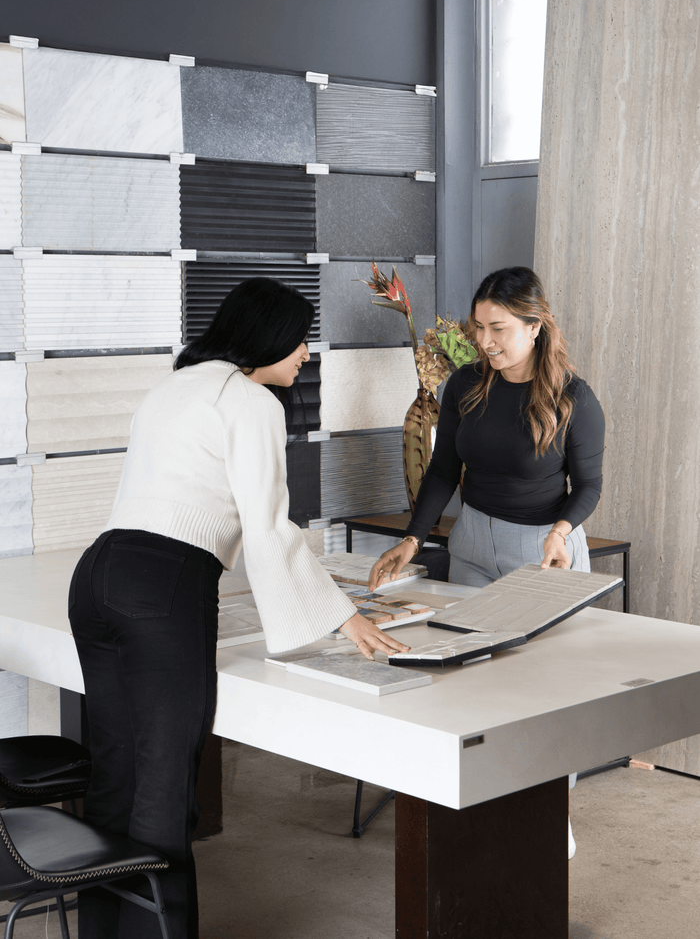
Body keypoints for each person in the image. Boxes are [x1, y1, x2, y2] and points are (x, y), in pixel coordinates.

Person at [68, 277, 409, 939]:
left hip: (99, 574)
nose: (306, 352)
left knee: (115, 776)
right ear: (266, 336)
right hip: (164, 586)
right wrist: (344, 615)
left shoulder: (174, 387)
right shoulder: (251, 401)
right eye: (300, 338)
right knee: (164, 789)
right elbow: (269, 529)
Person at [368, 266, 604, 860]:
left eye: (498, 328)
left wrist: (561, 531)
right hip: (472, 543)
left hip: (544, 552)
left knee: (544, 690)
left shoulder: (574, 398)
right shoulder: (465, 385)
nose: (485, 341)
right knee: (474, 681)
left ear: (535, 326)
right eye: (479, 327)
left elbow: (588, 485)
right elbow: (444, 470)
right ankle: (481, 806)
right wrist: (413, 540)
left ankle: (550, 814)